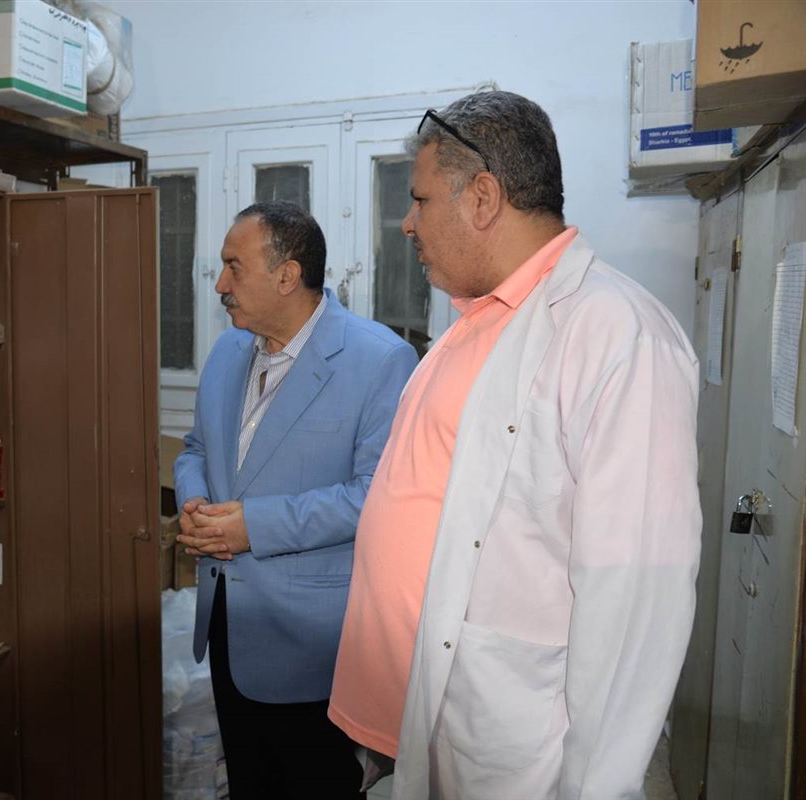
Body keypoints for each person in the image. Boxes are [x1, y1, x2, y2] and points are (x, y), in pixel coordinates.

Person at [328, 90, 701, 800]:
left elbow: (635, 597)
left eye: (420, 200)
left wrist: (596, 787)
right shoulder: (477, 320)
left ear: (483, 198)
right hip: (426, 723)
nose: (407, 223)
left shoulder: (619, 335)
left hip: (512, 737)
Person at [175, 200, 418, 799]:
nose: (220, 284)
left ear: (287, 276)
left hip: (314, 648)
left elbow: (374, 497)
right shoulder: (229, 350)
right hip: (229, 625)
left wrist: (251, 526)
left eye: (234, 267)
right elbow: (195, 448)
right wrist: (196, 502)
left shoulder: (379, 360)